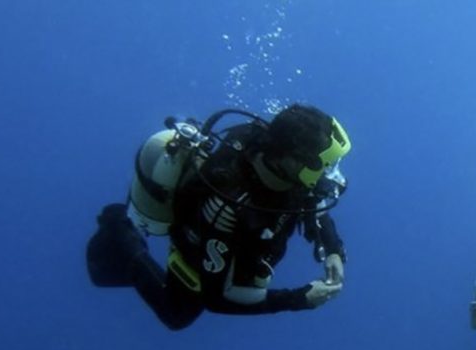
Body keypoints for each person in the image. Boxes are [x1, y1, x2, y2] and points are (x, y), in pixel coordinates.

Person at [86, 104, 351, 330]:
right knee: (176, 313)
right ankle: (121, 233)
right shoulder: (226, 209)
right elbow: (215, 298)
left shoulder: (285, 166)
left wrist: (332, 249)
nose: (330, 175)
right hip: (202, 247)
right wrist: (299, 299)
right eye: (325, 165)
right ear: (292, 160)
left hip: (244, 245)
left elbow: (311, 203)